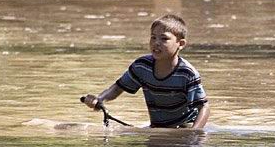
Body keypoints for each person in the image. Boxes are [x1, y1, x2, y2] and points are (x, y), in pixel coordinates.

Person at [82, 14, 210, 129]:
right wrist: (100, 99)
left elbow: (204, 106)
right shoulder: (142, 66)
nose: (156, 43)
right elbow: (117, 88)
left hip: (184, 128)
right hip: (156, 128)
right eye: (153, 38)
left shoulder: (187, 73)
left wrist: (194, 133)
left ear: (180, 44)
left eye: (164, 39)